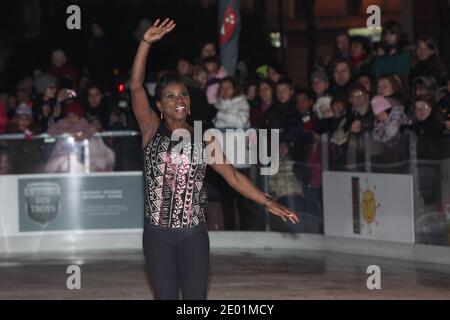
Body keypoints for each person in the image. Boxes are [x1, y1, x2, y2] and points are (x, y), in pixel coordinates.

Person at [130, 18, 299, 300]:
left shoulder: (203, 138)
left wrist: (269, 202)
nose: (178, 99)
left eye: (183, 94)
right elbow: (136, 87)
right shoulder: (150, 130)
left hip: (194, 234)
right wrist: (145, 43)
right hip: (157, 235)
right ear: (158, 106)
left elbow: (233, 176)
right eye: (169, 96)